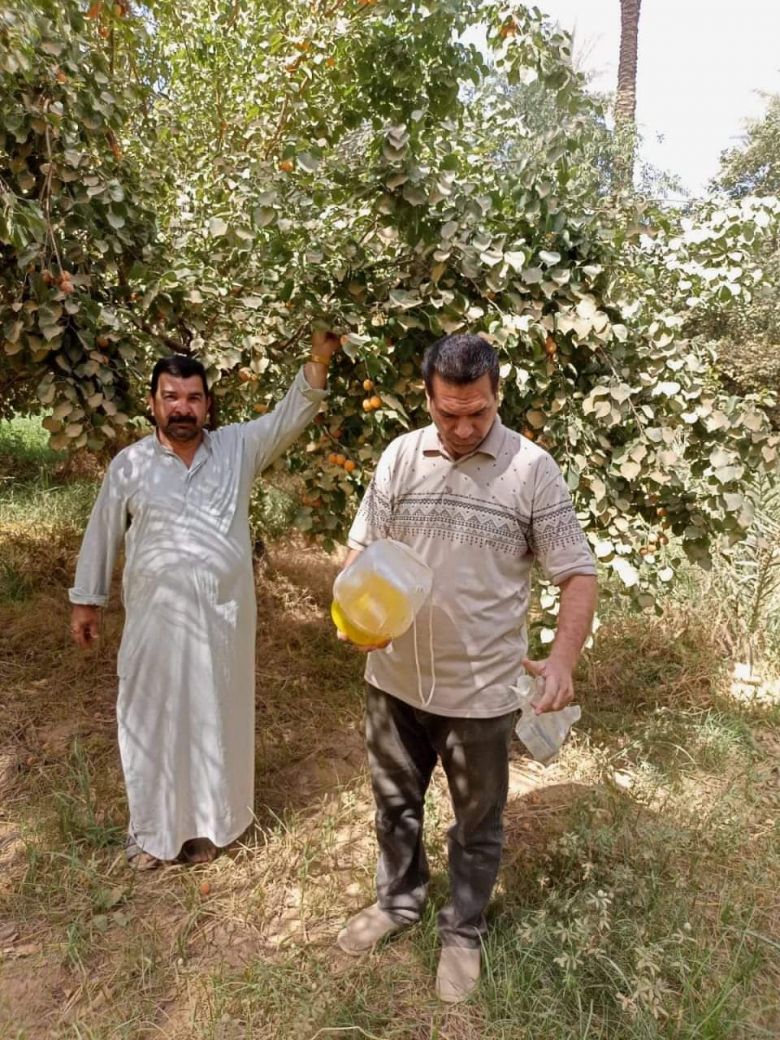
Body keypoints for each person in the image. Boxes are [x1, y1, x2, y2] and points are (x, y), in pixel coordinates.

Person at [335, 333, 598, 1003]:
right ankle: (398, 902)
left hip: (480, 690)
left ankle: (464, 932)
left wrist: (563, 659)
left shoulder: (530, 469)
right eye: (447, 412)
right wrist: (354, 608)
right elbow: (361, 549)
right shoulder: (399, 456)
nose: (461, 428)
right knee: (394, 807)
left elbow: (578, 574)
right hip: (393, 681)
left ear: (497, 397)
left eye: (476, 413)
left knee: (477, 822)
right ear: (427, 398)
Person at [69, 332, 340, 870]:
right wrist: (87, 600)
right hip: (153, 623)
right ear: (153, 404)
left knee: (217, 716)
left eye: (193, 398)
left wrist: (318, 360)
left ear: (208, 405)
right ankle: (151, 835)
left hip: (222, 622)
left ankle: (214, 826)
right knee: (149, 719)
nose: (182, 408)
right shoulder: (130, 465)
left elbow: (290, 416)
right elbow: (102, 533)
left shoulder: (237, 448)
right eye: (171, 397)